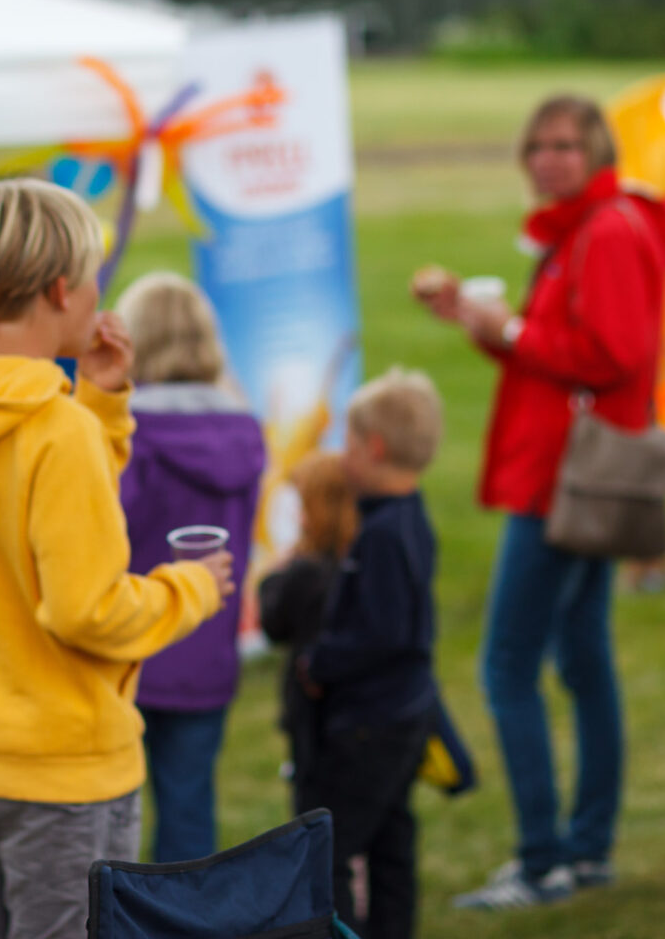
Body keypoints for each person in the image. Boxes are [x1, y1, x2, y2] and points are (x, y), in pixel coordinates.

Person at [0, 178, 232, 939]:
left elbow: (39, 519)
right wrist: (191, 589)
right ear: (59, 288)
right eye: (94, 279)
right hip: (60, 775)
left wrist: (101, 406)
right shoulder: (56, 432)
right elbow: (87, 609)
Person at [416, 95, 665, 910]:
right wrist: (483, 323)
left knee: (508, 667)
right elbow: (561, 360)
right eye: (538, 145)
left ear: (596, 151)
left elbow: (614, 354)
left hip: (567, 482)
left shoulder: (606, 231)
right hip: (571, 472)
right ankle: (585, 850)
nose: (549, 158)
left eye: (566, 144)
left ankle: (542, 860)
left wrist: (516, 332)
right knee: (583, 660)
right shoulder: (586, 230)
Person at [114, 272, 266, 863]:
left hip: (126, 646)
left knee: (108, 822)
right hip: (206, 646)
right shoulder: (244, 430)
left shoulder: (127, 433)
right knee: (188, 812)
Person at [293, 369, 444, 939]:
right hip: (404, 716)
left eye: (348, 445)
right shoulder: (409, 518)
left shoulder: (380, 537)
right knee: (391, 843)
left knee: (328, 850)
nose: (342, 456)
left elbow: (382, 634)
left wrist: (319, 663)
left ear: (373, 448)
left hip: (368, 726)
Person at [257, 453, 359, 814]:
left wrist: (274, 575)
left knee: (313, 807)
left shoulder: (304, 573)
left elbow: (273, 625)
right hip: (360, 711)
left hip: (311, 714)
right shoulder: (359, 564)